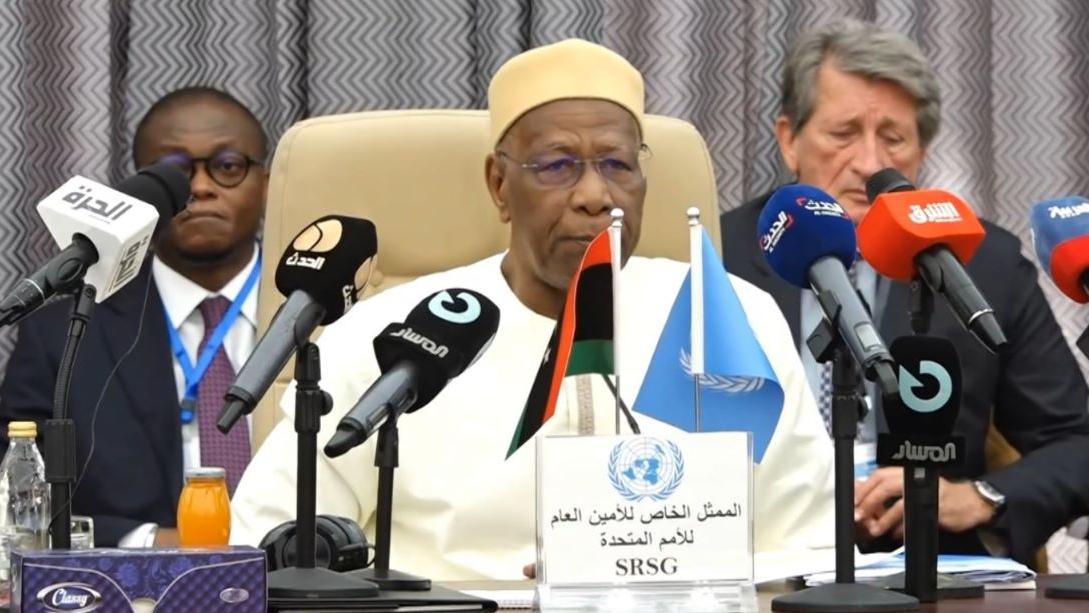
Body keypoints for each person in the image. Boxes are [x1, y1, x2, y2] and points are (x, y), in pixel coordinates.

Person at [231, 39, 835, 580]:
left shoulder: (723, 317)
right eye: (557, 166)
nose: (595, 196)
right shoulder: (391, 337)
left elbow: (808, 544)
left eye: (617, 165)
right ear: (500, 185)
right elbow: (272, 540)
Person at [721, 19, 1089, 566]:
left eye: (893, 139)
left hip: (928, 564)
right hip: (755, 560)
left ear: (921, 153)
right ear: (789, 140)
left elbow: (1075, 441)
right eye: (843, 134)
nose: (870, 164)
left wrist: (978, 498)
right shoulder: (719, 257)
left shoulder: (981, 264)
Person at [0, 86, 268, 547]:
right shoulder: (62, 334)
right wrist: (149, 544)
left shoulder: (336, 318)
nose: (201, 187)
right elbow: (18, 500)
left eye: (228, 167)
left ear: (266, 183)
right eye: (175, 173)